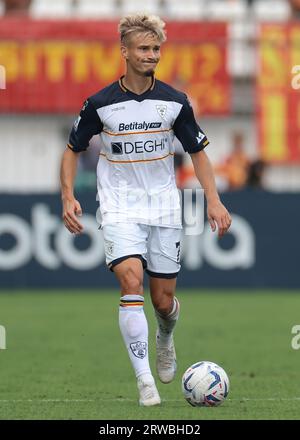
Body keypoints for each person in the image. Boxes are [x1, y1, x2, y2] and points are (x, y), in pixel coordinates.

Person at [60, 14, 231, 407]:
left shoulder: (174, 102)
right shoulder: (100, 105)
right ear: (124, 51)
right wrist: (68, 195)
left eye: (156, 49)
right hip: (119, 207)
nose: (152, 55)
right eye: (143, 48)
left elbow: (198, 153)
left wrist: (214, 200)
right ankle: (144, 381)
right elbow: (72, 151)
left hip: (165, 208)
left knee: (162, 301)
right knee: (130, 280)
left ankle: (166, 336)